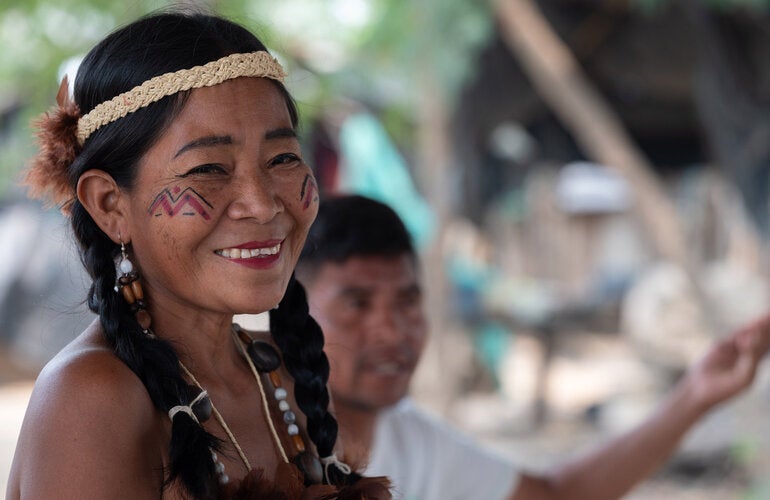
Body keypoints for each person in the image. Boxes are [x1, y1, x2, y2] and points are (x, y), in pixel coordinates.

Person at [7, 11, 390, 499]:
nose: (262, 203)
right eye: (208, 168)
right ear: (109, 204)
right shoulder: (93, 399)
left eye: (283, 158)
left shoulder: (283, 381)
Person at [295, 194, 770, 500]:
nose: (391, 331)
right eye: (356, 304)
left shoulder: (414, 442)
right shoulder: (249, 441)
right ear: (290, 314)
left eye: (407, 301)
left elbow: (557, 496)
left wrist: (695, 396)